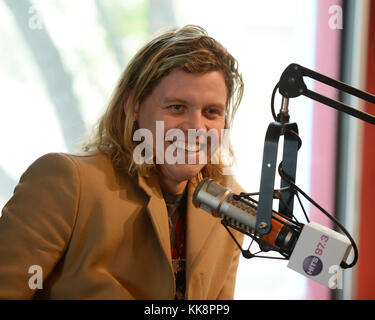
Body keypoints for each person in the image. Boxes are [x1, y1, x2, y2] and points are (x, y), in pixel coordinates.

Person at [0, 25, 244, 300]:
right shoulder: (67, 180)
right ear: (133, 106)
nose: (196, 128)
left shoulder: (231, 203)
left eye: (211, 112)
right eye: (176, 107)